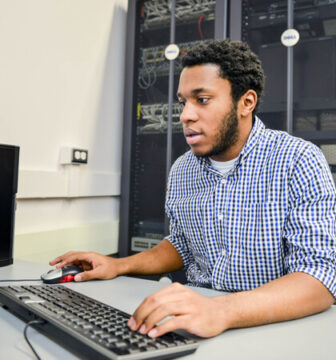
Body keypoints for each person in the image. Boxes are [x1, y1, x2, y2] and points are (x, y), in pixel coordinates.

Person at [50, 39, 336, 339]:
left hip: (275, 327)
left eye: (201, 99)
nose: (185, 115)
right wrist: (118, 265)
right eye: (183, 101)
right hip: (200, 320)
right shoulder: (183, 169)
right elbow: (183, 246)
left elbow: (319, 278)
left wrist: (221, 310)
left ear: (246, 102)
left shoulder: (297, 160)